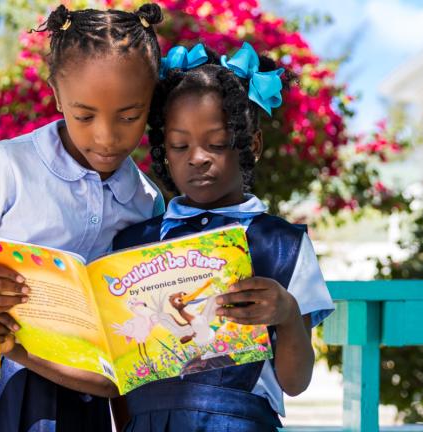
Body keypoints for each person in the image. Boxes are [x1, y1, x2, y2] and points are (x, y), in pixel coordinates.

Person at [0, 4, 166, 431]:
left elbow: (131, 346)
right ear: (56, 95)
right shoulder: (9, 166)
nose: (106, 137)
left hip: (83, 389)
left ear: (151, 101)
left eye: (129, 116)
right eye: (84, 115)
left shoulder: (147, 202)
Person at [110, 43, 335, 431]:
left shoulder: (283, 245)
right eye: (179, 146)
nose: (197, 157)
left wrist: (286, 314)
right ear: (164, 153)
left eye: (216, 144)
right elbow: (119, 375)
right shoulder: (132, 243)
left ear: (253, 145)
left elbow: (296, 383)